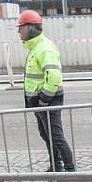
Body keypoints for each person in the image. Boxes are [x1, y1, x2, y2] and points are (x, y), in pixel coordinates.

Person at [17, 10, 75, 172]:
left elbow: (54, 77)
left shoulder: (44, 48)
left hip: (48, 100)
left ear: (30, 28)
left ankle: (71, 171)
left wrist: (43, 99)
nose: (18, 31)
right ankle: (56, 165)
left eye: (20, 27)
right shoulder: (36, 47)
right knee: (46, 134)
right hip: (39, 101)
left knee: (56, 136)